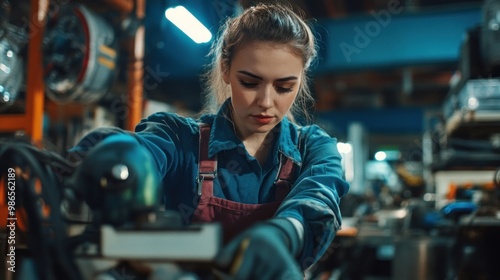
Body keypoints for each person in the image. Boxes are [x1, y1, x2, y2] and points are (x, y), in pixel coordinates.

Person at [71, 3, 349, 279]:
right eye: (250, 83)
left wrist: (286, 232)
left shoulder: (313, 149)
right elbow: (145, 148)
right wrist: (119, 155)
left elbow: (318, 197)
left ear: (300, 81)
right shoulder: (180, 138)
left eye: (284, 87)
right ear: (226, 70)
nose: (266, 102)